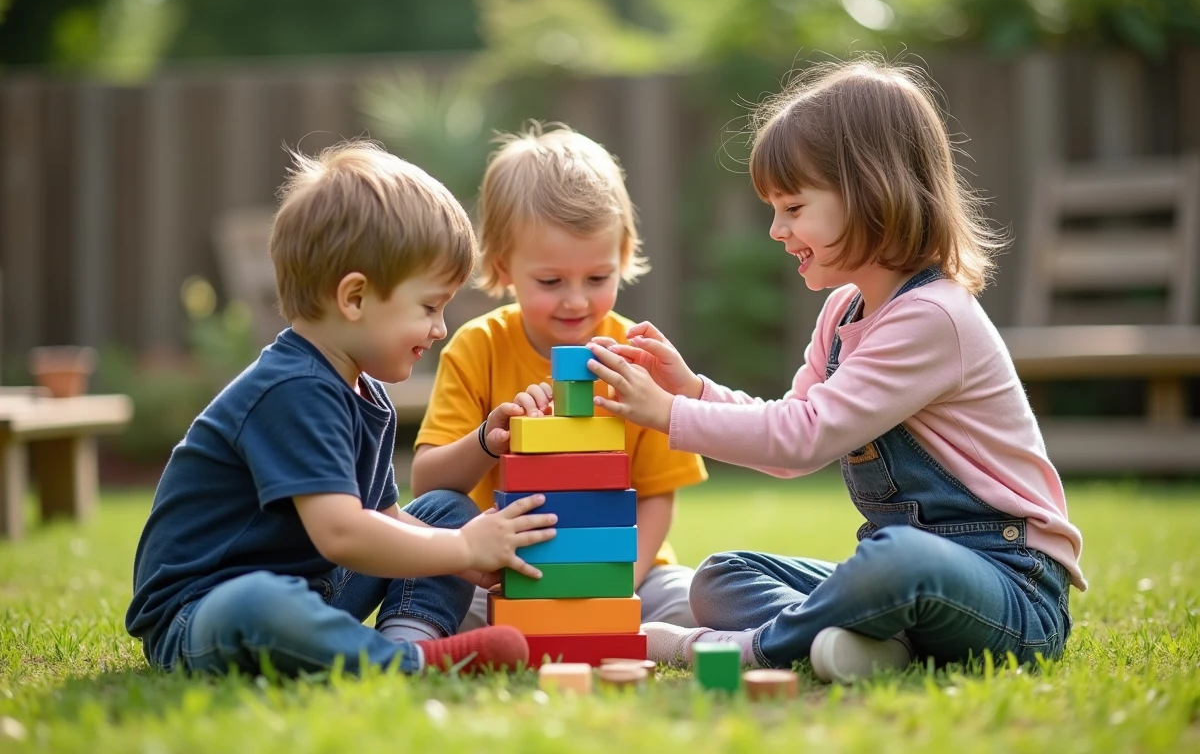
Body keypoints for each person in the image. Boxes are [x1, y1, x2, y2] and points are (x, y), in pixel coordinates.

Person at [583, 59, 1086, 683]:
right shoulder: (844, 311)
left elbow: (805, 436)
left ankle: (739, 649)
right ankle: (868, 645)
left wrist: (668, 414)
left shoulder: (933, 317)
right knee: (722, 574)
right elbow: (789, 439)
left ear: (874, 194)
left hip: (1011, 592)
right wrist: (692, 390)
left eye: (794, 206)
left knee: (897, 560)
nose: (776, 229)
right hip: (910, 586)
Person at [125, 141, 558, 676]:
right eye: (428, 306)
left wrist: (466, 549)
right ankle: (402, 663)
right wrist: (463, 550)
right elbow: (343, 533)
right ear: (354, 298)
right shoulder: (291, 388)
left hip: (317, 591)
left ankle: (413, 639)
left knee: (445, 510)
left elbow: (386, 521)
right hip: (205, 614)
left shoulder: (364, 392)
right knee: (261, 600)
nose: (440, 329)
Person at [412, 124, 708, 630]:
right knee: (443, 594)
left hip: (623, 568)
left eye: (597, 278)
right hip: (505, 570)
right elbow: (428, 484)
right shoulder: (477, 347)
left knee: (694, 597)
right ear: (504, 268)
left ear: (622, 257)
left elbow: (659, 493)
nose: (576, 300)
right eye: (551, 281)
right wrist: (489, 440)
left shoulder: (639, 357)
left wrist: (620, 583)